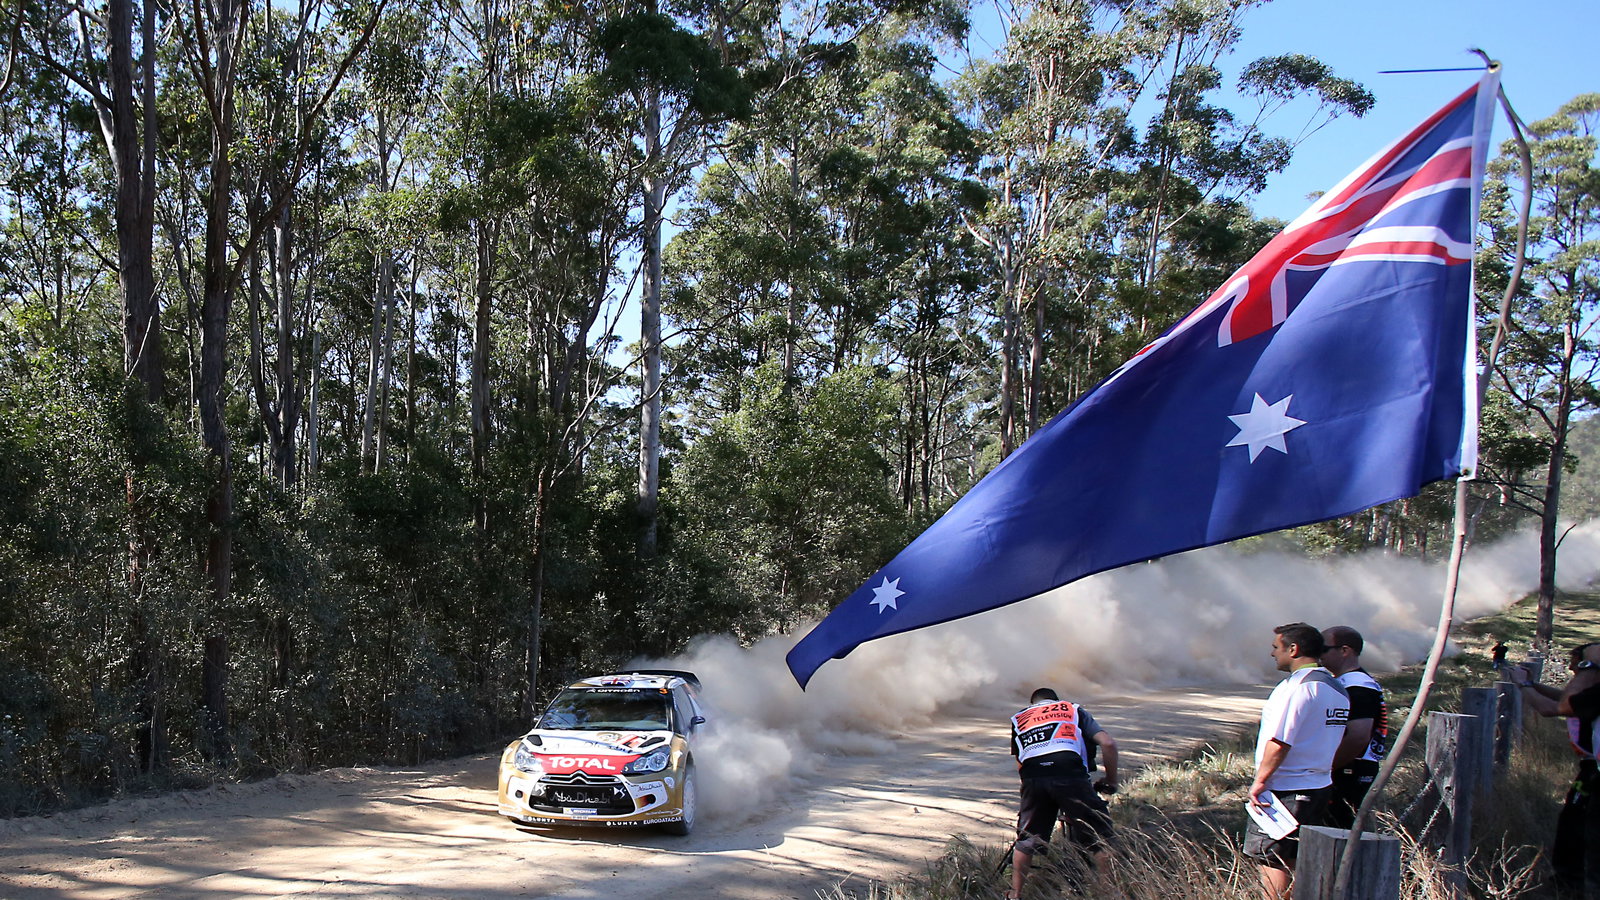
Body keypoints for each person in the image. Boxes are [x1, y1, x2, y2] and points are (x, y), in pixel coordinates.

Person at [1247, 623, 1350, 900]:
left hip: (1285, 789)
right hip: (1318, 785)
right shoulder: (1336, 687)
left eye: (1275, 648)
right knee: (1296, 857)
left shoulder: (1298, 688)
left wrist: (1260, 781)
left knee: (1274, 859)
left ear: (1293, 649)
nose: (1272, 654)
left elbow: (1280, 741)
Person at [1007, 687, 1118, 900]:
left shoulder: (1020, 717)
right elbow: (1108, 743)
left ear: (1033, 704)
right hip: (1069, 773)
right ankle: (1108, 892)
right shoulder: (1072, 709)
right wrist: (1110, 781)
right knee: (1100, 834)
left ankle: (1014, 894)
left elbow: (1021, 760)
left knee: (1028, 838)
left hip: (1033, 777)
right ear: (1055, 701)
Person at [1509, 642, 1600, 897]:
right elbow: (1565, 699)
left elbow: (1555, 707)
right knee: (1575, 827)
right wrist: (1531, 684)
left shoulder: (1594, 688)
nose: (1573, 670)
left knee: (1582, 836)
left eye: (1578, 666)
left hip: (1594, 772)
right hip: (1591, 771)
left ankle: (1571, 884)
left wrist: (1524, 685)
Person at [1319, 625, 1388, 829]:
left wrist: (1326, 768)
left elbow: (1358, 736)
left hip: (1350, 769)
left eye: (1323, 648)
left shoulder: (1357, 685)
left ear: (1344, 650)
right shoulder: (1349, 682)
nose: (1319, 654)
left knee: (1337, 831)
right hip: (1349, 767)